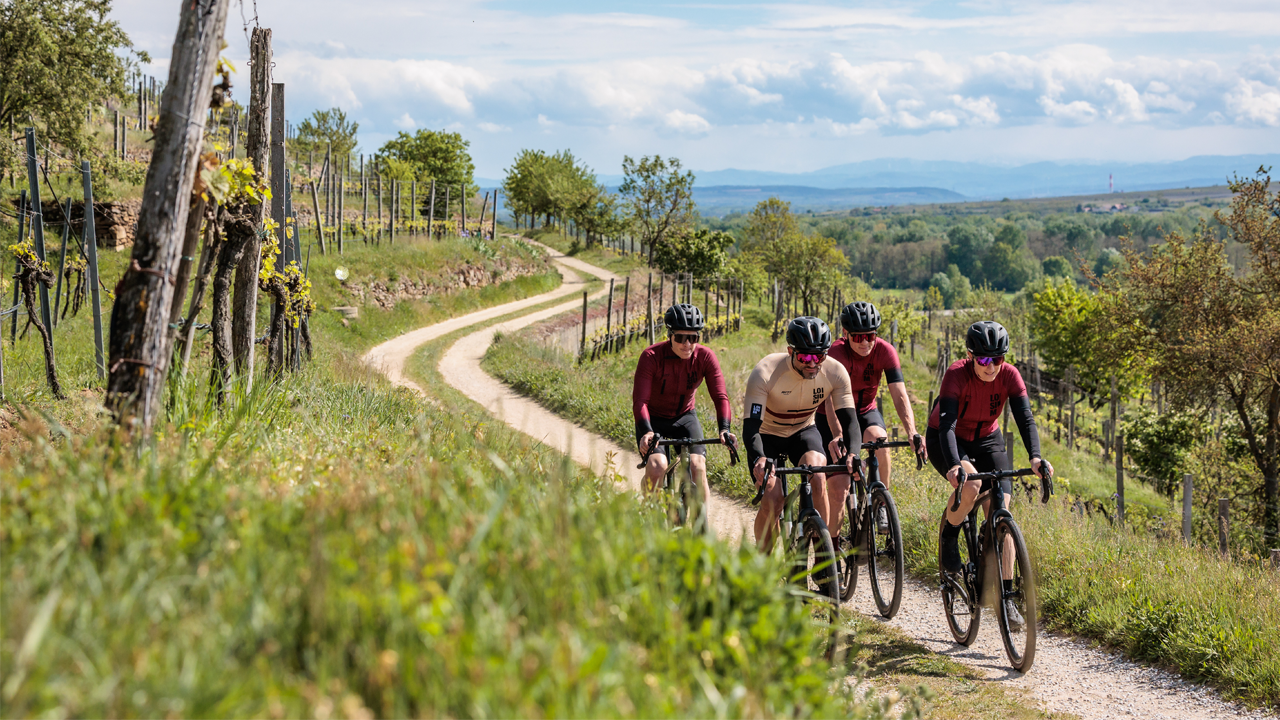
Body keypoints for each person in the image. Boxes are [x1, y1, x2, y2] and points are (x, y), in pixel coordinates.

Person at [926, 320, 1052, 630]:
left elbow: (1025, 419)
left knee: (1001, 514)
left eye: (998, 359)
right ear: (970, 356)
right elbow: (948, 427)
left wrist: (1035, 457)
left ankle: (1006, 599)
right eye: (984, 360)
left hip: (988, 438)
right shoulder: (956, 374)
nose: (991, 366)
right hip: (949, 439)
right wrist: (955, 464)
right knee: (972, 485)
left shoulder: (1009, 375)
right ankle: (950, 537)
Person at [742, 317, 861, 551]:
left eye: (819, 356)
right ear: (790, 352)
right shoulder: (765, 372)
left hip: (803, 430)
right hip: (767, 435)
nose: (813, 363)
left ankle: (823, 557)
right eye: (805, 357)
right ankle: (763, 562)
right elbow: (751, 428)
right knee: (773, 502)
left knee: (817, 475)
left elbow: (850, 421)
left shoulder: (835, 372)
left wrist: (854, 453)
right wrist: (759, 458)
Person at [817, 301, 926, 536]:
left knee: (880, 439)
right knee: (839, 489)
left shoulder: (885, 351)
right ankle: (830, 554)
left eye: (871, 336)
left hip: (865, 410)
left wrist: (912, 431)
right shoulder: (835, 353)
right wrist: (837, 435)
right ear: (845, 334)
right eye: (858, 337)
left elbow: (899, 394)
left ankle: (881, 501)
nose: (866, 342)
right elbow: (827, 401)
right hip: (832, 416)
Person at [633, 303, 735, 516]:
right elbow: (640, 401)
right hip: (654, 420)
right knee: (657, 465)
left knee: (698, 466)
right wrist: (646, 431)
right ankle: (650, 517)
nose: (687, 344)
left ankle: (701, 527)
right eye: (680, 337)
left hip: (685, 417)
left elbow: (720, 397)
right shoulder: (651, 356)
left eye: (693, 337)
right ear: (669, 335)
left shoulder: (705, 357)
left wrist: (724, 429)